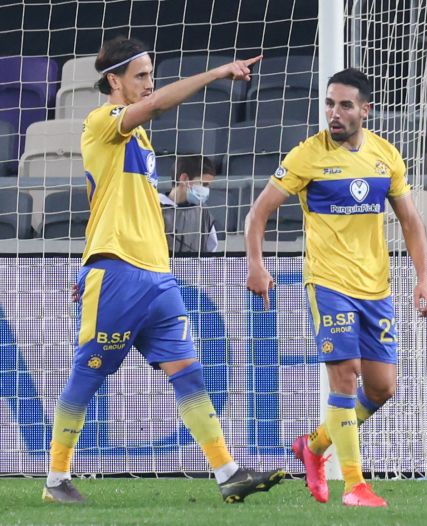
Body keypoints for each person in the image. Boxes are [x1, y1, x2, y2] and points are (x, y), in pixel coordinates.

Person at [42, 36, 284, 504]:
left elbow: (121, 203)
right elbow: (153, 108)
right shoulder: (102, 122)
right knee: (87, 375)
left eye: (152, 74)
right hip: (119, 273)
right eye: (141, 75)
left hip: (157, 276)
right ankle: (56, 479)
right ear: (114, 81)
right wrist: (218, 72)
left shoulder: (139, 140)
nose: (149, 83)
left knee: (189, 372)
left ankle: (228, 472)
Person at [244, 68, 427, 508]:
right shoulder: (306, 155)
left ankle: (313, 446)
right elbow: (258, 213)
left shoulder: (386, 156)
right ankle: (354, 485)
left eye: (345, 105)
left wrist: (423, 279)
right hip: (328, 283)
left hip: (376, 288)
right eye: (329, 103)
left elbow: (411, 222)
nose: (334, 112)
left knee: (383, 388)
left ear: (365, 110)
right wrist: (256, 264)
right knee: (345, 374)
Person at [159, 155, 218, 254]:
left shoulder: (203, 212)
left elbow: (211, 249)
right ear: (184, 179)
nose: (207, 190)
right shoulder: (155, 207)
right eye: (204, 184)